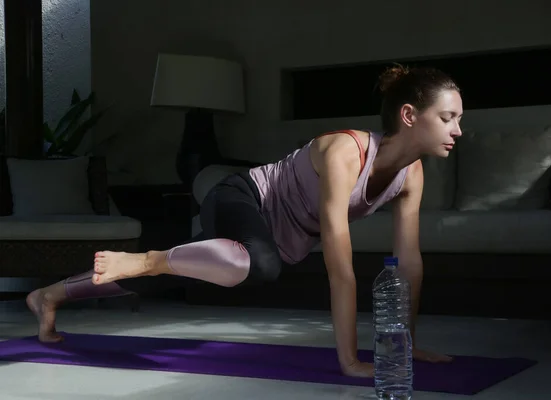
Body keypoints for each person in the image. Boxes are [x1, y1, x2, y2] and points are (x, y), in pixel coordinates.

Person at [26, 63, 463, 378]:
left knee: (183, 272)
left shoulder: (413, 174)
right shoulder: (344, 152)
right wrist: (348, 361)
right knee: (256, 264)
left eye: (458, 119)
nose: (457, 129)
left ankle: (49, 296)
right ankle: (142, 259)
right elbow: (340, 269)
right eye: (447, 117)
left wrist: (404, 347)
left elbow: (409, 264)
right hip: (241, 197)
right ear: (409, 116)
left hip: (262, 238)